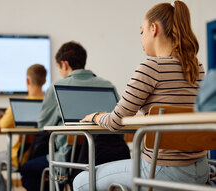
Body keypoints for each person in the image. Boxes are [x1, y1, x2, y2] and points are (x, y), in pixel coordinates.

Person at [73, 1, 207, 190]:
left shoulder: (151, 67)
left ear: (154, 29)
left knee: (80, 182)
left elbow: (115, 121)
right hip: (201, 170)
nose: (141, 38)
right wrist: (146, 116)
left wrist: (95, 116)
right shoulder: (197, 68)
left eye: (141, 31)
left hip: (163, 171)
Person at [20, 41, 130, 191]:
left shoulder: (57, 87)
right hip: (111, 156)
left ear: (64, 64)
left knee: (27, 169)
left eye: (59, 68)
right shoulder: (108, 85)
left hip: (71, 159)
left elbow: (43, 125)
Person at [0, 64, 47, 191]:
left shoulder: (19, 106)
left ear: (27, 80)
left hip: (22, 156)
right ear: (44, 81)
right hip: (44, 156)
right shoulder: (49, 104)